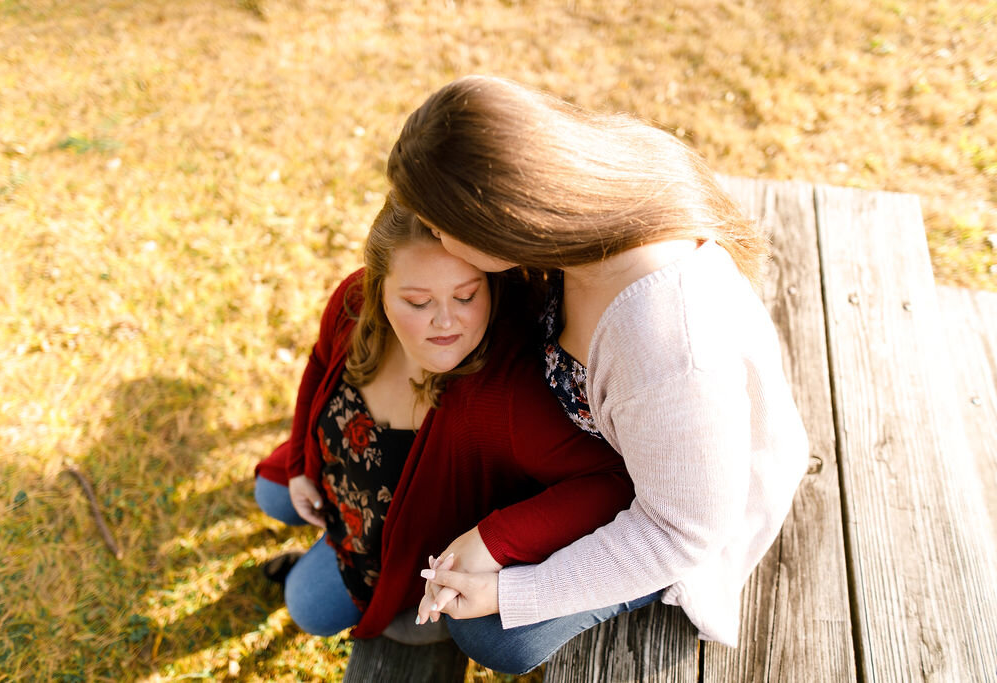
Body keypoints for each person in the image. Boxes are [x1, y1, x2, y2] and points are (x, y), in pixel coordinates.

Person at [388, 75, 810, 673]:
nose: (435, 239)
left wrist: (512, 594)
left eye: (439, 227)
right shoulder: (583, 218)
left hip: (671, 508)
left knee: (496, 639)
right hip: (598, 454)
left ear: (500, 221)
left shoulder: (667, 341)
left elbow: (680, 531)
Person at [252, 192, 635, 643]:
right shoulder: (353, 302)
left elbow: (611, 480)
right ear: (377, 288)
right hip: (336, 475)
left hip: (396, 550)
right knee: (271, 491)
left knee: (307, 607)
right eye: (418, 302)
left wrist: (493, 540)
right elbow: (319, 364)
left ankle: (367, 594)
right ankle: (319, 534)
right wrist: (299, 466)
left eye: (466, 295)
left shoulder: (507, 397)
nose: (447, 322)